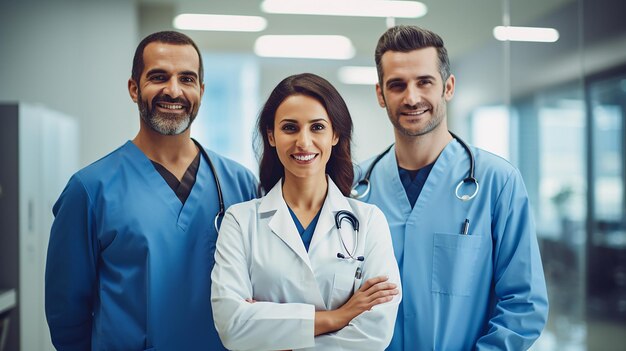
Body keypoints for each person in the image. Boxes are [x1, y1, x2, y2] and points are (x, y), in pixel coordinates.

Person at [45, 31, 257, 350]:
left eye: (186, 79)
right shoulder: (89, 190)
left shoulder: (240, 183)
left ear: (200, 91)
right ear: (134, 88)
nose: (173, 90)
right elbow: (67, 316)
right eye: (158, 77)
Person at [353, 25, 549, 350]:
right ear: (380, 94)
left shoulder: (497, 182)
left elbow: (523, 306)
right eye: (397, 85)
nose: (411, 97)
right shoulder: (353, 188)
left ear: (448, 86)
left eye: (424, 82)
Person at [211, 73, 401, 350]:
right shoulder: (240, 221)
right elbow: (232, 324)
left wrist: (273, 333)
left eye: (317, 127)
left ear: (335, 134)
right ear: (271, 136)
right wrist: (339, 316)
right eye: (290, 128)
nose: (303, 141)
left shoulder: (369, 221)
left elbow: (375, 333)